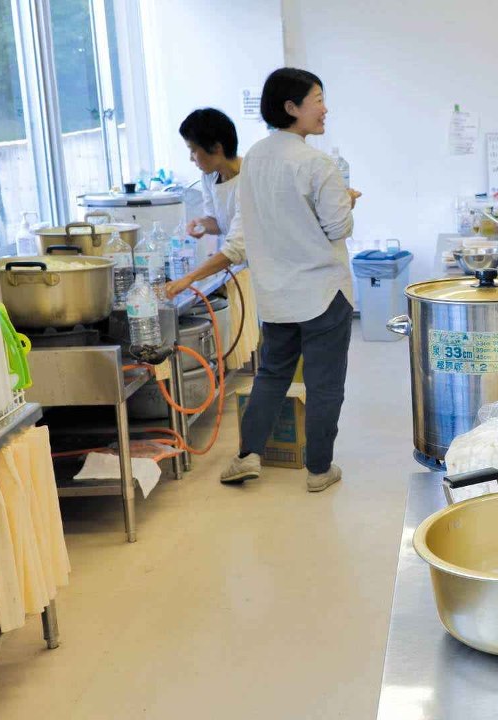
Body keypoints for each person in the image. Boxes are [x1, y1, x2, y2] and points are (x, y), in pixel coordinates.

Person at [201, 67, 361, 493]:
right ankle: (319, 470)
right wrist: (347, 201)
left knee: (272, 375)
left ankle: (248, 455)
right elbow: (337, 228)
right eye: (317, 100)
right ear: (292, 107)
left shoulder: (254, 158)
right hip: (323, 292)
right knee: (325, 385)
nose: (324, 109)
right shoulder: (317, 163)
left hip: (275, 293)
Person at [166, 108, 242, 298]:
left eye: (193, 150)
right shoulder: (210, 177)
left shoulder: (250, 179)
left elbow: (236, 247)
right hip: (243, 266)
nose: (191, 158)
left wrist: (189, 278)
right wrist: (202, 224)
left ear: (216, 147)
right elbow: (218, 221)